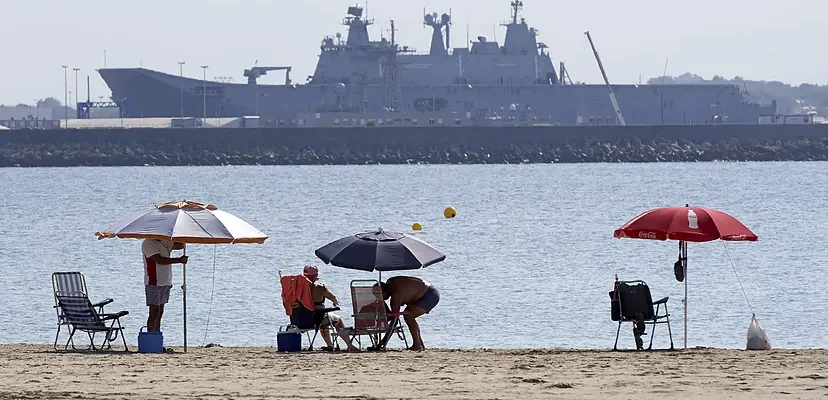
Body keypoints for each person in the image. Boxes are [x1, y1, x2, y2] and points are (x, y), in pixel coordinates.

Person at [303, 265, 357, 351]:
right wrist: (335, 303)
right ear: (314, 276)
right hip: (317, 318)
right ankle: (349, 344)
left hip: (303, 319)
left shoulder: (297, 290)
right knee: (337, 319)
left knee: (324, 319)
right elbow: (333, 297)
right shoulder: (319, 288)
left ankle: (330, 345)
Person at [379, 276, 440, 351]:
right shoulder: (390, 282)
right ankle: (419, 343)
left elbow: (395, 321)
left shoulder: (396, 297)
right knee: (409, 315)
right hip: (423, 290)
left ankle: (417, 345)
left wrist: (384, 341)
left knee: (409, 316)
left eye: (379, 296)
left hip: (429, 295)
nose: (378, 298)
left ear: (385, 293)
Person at [142, 239, 188, 333]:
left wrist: (182, 237)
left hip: (165, 281)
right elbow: (159, 260)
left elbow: (180, 245)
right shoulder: (148, 242)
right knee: (154, 311)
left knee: (160, 311)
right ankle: (151, 336)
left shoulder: (164, 240)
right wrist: (179, 260)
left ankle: (157, 334)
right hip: (154, 282)